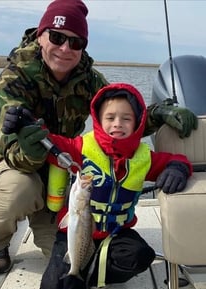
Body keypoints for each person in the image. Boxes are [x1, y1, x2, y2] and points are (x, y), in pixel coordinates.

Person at [0, 0, 197, 275]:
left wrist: (158, 113)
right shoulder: (13, 79)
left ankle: (46, 219)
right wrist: (31, 146)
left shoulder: (87, 78)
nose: (65, 49)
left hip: (60, 171)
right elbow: (15, 152)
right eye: (57, 38)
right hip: (14, 163)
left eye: (76, 42)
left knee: (64, 263)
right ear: (41, 35)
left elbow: (117, 113)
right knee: (22, 189)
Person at [20, 82, 191, 289]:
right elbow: (50, 142)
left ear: (138, 123)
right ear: (99, 121)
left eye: (126, 119)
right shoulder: (81, 148)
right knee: (53, 285)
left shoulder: (144, 157)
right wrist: (26, 126)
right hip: (74, 233)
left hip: (117, 233)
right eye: (110, 118)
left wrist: (178, 169)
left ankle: (87, 273)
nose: (117, 123)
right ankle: (78, 269)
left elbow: (178, 159)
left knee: (141, 256)